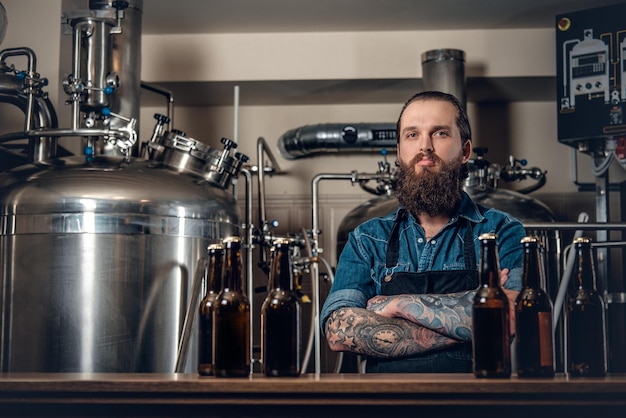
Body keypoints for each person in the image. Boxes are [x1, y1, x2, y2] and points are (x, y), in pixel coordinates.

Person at [321, 91, 525, 373]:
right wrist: (477, 315)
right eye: (412, 135)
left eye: (439, 133)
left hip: (475, 404)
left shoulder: (501, 231)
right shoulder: (367, 239)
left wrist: (398, 304)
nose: (425, 147)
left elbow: (515, 317)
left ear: (465, 151)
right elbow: (338, 331)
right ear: (399, 151)